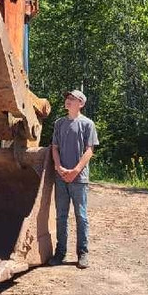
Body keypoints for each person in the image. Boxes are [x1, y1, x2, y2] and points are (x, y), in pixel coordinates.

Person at [49, 90, 99, 269]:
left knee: (81, 216)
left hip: (79, 179)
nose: (67, 101)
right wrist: (58, 167)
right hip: (61, 177)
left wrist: (76, 170)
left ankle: (82, 253)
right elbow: (54, 148)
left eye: (72, 99)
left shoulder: (88, 124)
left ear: (81, 103)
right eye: (67, 98)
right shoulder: (59, 123)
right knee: (61, 216)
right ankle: (60, 253)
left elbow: (89, 150)